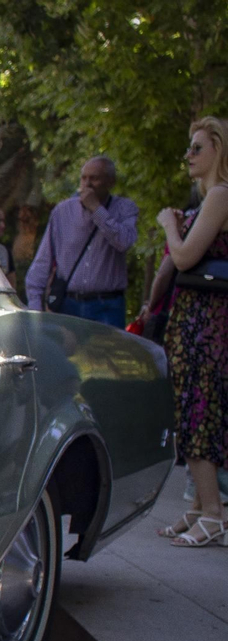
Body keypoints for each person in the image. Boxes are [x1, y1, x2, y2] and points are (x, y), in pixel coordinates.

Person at [146, 117, 228, 547]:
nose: (188, 156)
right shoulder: (207, 200)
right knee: (194, 410)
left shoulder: (220, 194)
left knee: (199, 412)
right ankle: (199, 507)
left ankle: (212, 513)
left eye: (197, 148)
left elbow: (183, 256)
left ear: (218, 148)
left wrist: (168, 225)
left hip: (208, 324)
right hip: (195, 319)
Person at [24, 155, 139, 326]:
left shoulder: (125, 208)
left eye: (94, 178)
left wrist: (96, 209)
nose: (87, 184)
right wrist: (34, 309)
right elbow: (43, 260)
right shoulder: (62, 212)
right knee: (64, 353)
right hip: (69, 304)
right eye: (84, 178)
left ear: (110, 182)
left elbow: (123, 241)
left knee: (105, 353)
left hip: (107, 305)